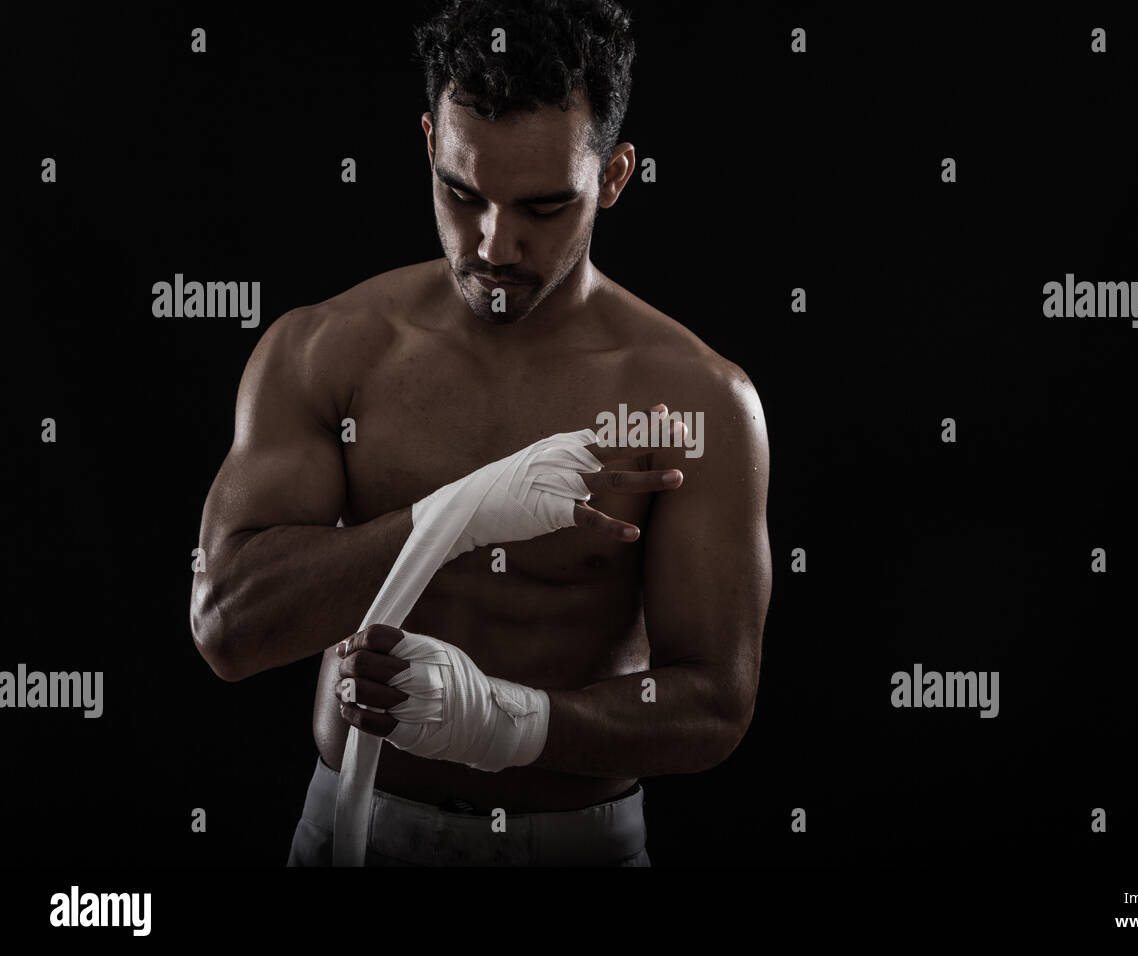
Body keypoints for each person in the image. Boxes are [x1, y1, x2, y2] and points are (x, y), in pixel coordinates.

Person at [189, 0, 770, 866]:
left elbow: (716, 704)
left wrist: (512, 725)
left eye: (543, 208)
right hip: (351, 827)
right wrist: (458, 514)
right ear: (430, 142)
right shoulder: (326, 350)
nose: (494, 246)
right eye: (463, 194)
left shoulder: (694, 399)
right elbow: (228, 626)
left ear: (613, 177)